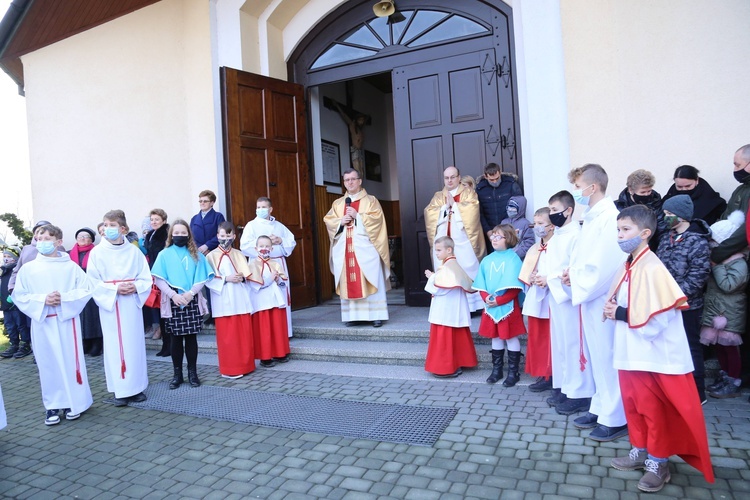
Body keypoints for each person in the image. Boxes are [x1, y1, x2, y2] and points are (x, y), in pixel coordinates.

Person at [606, 205, 714, 493]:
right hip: (631, 352)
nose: (620, 235)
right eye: (618, 229)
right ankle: (639, 450)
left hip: (652, 356)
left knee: (654, 410)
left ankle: (658, 461)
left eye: (625, 230)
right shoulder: (630, 264)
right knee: (635, 406)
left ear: (645, 233)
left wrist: (618, 313)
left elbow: (661, 316)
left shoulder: (653, 267)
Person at [562, 164, 628, 441]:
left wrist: (577, 279)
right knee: (595, 357)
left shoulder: (608, 218)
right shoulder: (591, 216)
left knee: (607, 355)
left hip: (602, 297)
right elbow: (583, 257)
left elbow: (605, 264)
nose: (576, 192)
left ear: (593, 187)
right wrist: (570, 273)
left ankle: (616, 417)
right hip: (589, 297)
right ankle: (600, 406)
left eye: (578, 187)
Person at [11, 224, 94, 426]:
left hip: (67, 322)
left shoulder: (70, 266)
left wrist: (63, 298)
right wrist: (43, 300)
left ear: (58, 242)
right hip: (43, 323)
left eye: (48, 238)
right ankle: (53, 405)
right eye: (40, 238)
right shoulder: (28, 269)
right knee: (49, 364)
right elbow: (19, 296)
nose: (43, 242)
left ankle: (74, 403)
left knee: (69, 361)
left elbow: (86, 290)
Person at [87, 210, 152, 407]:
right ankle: (120, 390)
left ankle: (136, 387)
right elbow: (92, 281)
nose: (107, 229)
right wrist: (114, 289)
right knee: (115, 346)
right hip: (111, 304)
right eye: (105, 225)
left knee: (133, 345)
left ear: (123, 228)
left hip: (131, 303)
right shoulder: (97, 252)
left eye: (112, 225)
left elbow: (145, 277)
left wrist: (136, 286)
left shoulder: (133, 251)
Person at [656, 195, 712, 402]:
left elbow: (699, 274)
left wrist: (676, 296)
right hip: (665, 303)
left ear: (682, 216)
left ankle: (698, 392)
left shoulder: (697, 241)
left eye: (670, 214)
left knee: (691, 347)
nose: (666, 218)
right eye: (665, 214)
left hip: (687, 305)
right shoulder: (666, 238)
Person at [545, 191, 595, 419]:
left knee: (574, 344)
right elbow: (551, 263)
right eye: (550, 211)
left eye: (555, 210)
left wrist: (551, 279)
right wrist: (543, 277)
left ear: (569, 210)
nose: (551, 215)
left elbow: (574, 269)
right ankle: (565, 387)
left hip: (569, 298)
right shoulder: (557, 235)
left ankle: (580, 394)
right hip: (556, 298)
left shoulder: (577, 235)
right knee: (561, 345)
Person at [323, 169, 390, 327]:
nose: (350, 182)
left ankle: (376, 315)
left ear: (360, 181)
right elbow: (329, 220)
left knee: (370, 277)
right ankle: (353, 316)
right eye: (347, 180)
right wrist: (340, 222)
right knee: (349, 280)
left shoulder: (371, 200)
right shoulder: (338, 203)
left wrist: (358, 217)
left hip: (366, 248)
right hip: (345, 247)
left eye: (353, 179)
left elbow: (378, 221)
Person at [152, 220, 214, 389]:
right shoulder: (164, 254)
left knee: (191, 338)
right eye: (176, 233)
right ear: (171, 235)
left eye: (183, 233)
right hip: (173, 301)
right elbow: (159, 278)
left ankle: (192, 373)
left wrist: (190, 293)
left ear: (188, 234)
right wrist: (173, 295)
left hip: (191, 299)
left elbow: (202, 276)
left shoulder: (196, 254)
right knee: (175, 339)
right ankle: (177, 374)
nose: (179, 235)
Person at [712, 144, 750, 390]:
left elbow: (744, 232)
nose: (734, 170)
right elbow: (726, 219)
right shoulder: (741, 189)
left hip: (738, 262)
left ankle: (739, 377)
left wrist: (718, 253)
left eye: (737, 165)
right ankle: (731, 374)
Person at [425, 166, 486, 312]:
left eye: (453, 177)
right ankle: (448, 303)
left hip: (463, 240)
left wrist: (456, 207)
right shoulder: (438, 196)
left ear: (459, 177)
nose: (450, 180)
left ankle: (472, 306)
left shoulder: (468, 193)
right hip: (444, 239)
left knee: (466, 266)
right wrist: (444, 208)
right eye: (446, 178)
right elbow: (429, 212)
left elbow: (472, 210)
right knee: (445, 269)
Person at [700, 211, 747, 398]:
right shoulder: (720, 261)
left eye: (715, 244)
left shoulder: (738, 263)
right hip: (716, 309)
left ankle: (733, 379)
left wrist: (716, 267)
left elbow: (729, 285)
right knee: (719, 347)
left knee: (730, 348)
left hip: (729, 312)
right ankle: (724, 375)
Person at [473, 224, 526, 387]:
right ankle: (497, 370)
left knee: (510, 337)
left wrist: (499, 300)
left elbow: (516, 287)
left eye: (498, 236)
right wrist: (487, 297)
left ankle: (513, 372)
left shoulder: (513, 259)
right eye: (493, 236)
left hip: (508, 307)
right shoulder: (487, 260)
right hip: (490, 307)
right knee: (495, 337)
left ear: (508, 239)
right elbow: (481, 283)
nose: (494, 239)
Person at [240, 196, 296, 337]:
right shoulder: (251, 225)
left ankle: (283, 333)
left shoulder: (279, 226)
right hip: (259, 266)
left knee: (280, 296)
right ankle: (263, 334)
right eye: (258, 207)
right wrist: (264, 248)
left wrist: (280, 240)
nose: (260, 210)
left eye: (263, 207)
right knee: (262, 297)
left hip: (277, 264)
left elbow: (291, 242)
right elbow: (244, 246)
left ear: (270, 209)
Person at [206, 222, 255, 378]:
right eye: (222, 236)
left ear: (234, 236)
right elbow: (207, 279)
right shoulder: (210, 256)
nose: (225, 238)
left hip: (240, 297)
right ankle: (230, 369)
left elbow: (248, 275)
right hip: (223, 299)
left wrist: (242, 279)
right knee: (228, 337)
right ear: (217, 236)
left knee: (243, 334)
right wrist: (226, 278)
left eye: (228, 236)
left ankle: (246, 365)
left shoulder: (239, 254)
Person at [423, 236, 477, 378]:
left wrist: (431, 277)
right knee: (456, 336)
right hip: (453, 308)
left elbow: (438, 288)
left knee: (445, 338)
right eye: (436, 250)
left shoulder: (448, 267)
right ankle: (459, 363)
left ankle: (445, 368)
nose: (436, 253)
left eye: (439, 250)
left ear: (449, 250)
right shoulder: (453, 265)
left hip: (445, 310)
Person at [519, 208, 554, 392]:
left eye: (541, 223)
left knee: (549, 338)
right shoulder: (535, 247)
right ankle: (542, 372)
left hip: (550, 298)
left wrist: (546, 278)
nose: (537, 227)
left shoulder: (557, 246)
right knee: (537, 337)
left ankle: (551, 374)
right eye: (536, 223)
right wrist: (531, 278)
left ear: (552, 225)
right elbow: (527, 272)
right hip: (536, 297)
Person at [247, 235, 290, 366]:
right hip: (261, 301)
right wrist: (270, 279)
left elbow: (284, 282)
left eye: (267, 246)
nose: (264, 249)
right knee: (264, 330)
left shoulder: (275, 263)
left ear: (271, 249)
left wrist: (278, 280)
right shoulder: (252, 264)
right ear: (256, 248)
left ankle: (280, 353)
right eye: (261, 246)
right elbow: (255, 285)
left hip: (275, 300)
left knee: (277, 327)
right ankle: (265, 357)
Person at [69, 228, 104, 357]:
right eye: (80, 236)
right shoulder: (70, 254)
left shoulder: (96, 252)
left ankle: (97, 343)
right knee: (81, 316)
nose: (83, 238)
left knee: (93, 316)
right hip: (77, 288)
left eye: (86, 236)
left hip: (93, 287)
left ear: (91, 239)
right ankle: (85, 342)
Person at [660, 165, 726, 226]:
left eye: (688, 186)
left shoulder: (712, 200)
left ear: (697, 180)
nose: (684, 189)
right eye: (679, 187)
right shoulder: (670, 196)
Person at [143, 208, 170, 355]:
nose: (153, 222)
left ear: (164, 221)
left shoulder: (165, 234)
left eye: (157, 220)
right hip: (153, 273)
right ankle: (165, 345)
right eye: (152, 220)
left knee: (165, 310)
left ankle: (169, 344)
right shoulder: (151, 235)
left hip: (163, 275)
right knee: (159, 310)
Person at [476, 162, 523, 244]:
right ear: (485, 176)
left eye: (497, 178)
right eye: (491, 179)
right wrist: (488, 231)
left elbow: (520, 207)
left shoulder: (511, 184)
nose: (495, 182)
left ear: (500, 172)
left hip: (510, 230)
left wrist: (513, 228)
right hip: (491, 231)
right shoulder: (480, 189)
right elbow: (480, 213)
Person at [1, 246, 30, 359]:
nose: (6, 259)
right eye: (5, 256)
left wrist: (13, 297)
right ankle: (14, 344)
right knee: (10, 326)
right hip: (5, 305)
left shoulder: (17, 270)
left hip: (16, 305)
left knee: (21, 325)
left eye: (9, 257)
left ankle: (25, 344)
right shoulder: (3, 270)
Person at [333, 100, 369, 174]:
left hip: (359, 151)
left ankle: (360, 183)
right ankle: (358, 184)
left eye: (362, 120)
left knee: (362, 171)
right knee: (357, 170)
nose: (361, 122)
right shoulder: (352, 126)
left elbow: (364, 123)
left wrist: (367, 117)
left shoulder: (360, 129)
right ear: (356, 120)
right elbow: (344, 116)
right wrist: (337, 106)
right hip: (355, 150)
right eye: (360, 120)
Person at [501, 195, 534, 260]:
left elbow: (529, 242)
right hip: (504, 257)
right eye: (509, 207)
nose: (510, 209)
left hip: (518, 258)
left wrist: (517, 254)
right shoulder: (503, 222)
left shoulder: (525, 223)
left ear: (520, 209)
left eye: (513, 207)